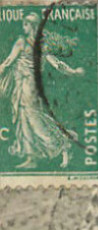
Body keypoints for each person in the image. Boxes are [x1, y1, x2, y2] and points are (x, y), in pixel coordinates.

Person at [0, 14, 84, 169]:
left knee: (34, 119)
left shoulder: (29, 43)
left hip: (29, 87)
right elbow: (7, 63)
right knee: (23, 119)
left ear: (31, 26)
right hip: (21, 85)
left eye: (25, 25)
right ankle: (31, 158)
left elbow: (7, 63)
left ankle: (63, 144)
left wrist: (73, 72)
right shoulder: (32, 44)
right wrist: (72, 71)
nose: (23, 28)